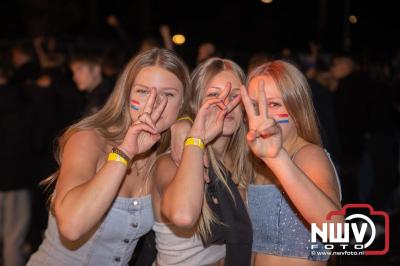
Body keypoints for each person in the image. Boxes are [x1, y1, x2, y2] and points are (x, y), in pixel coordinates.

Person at [27, 48, 191, 266]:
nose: (154, 103)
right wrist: (125, 152)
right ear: (126, 95)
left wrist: (185, 123)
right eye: (142, 91)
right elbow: (71, 227)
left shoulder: (165, 156)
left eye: (168, 94)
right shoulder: (88, 139)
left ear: (181, 103)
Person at [240, 60, 343, 265]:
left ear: (296, 110)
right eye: (254, 105)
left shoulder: (309, 155)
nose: (263, 115)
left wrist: (278, 158)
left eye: (274, 104)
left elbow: (335, 230)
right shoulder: (256, 161)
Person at [160, 58, 253, 266]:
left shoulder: (249, 164)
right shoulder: (174, 160)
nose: (225, 104)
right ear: (196, 103)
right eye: (213, 95)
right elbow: (182, 215)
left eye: (234, 96)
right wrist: (195, 138)